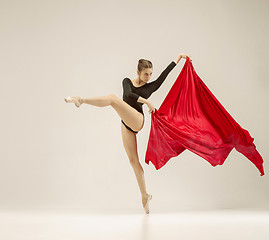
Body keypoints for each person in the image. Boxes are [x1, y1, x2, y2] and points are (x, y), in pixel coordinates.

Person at [64, 53, 192, 214]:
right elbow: (129, 94)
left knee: (112, 98)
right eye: (146, 73)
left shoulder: (150, 86)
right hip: (126, 124)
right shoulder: (127, 82)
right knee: (133, 161)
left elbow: (165, 75)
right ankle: (145, 195)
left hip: (137, 120)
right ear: (138, 72)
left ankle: (80, 100)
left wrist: (178, 59)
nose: (149, 77)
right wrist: (147, 101)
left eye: (151, 73)